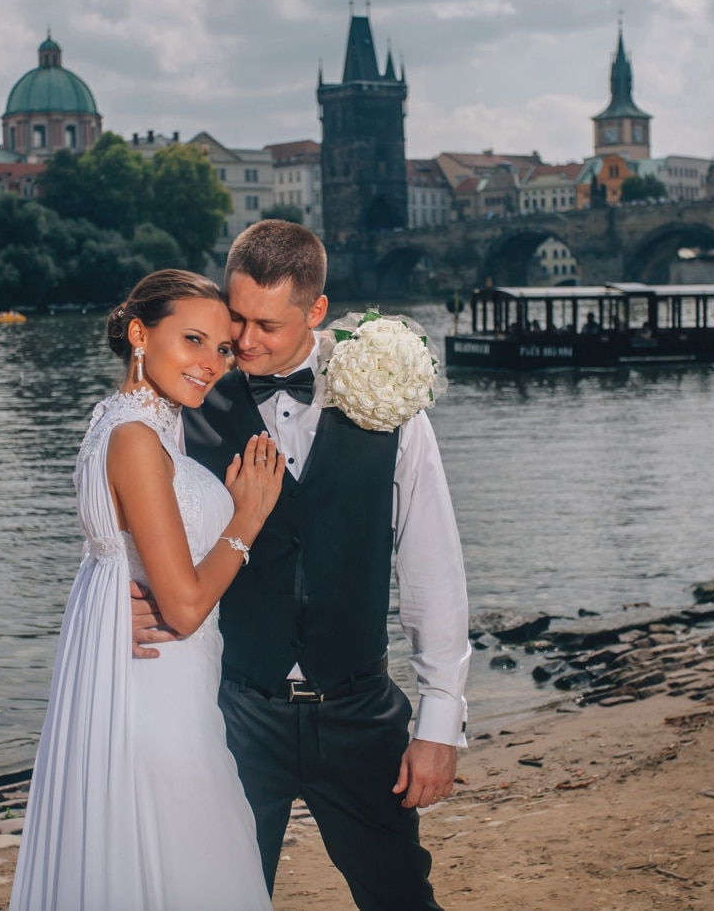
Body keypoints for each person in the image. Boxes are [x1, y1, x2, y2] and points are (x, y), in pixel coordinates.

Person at [136, 220, 470, 910]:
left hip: (358, 711)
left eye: (268, 325)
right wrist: (126, 596)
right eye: (236, 319)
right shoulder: (189, 401)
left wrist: (440, 720)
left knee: (402, 900)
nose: (245, 342)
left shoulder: (388, 396)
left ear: (316, 312)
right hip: (232, 715)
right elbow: (140, 524)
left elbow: (431, 562)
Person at [9, 269, 281, 910]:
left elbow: (118, 559)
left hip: (163, 680)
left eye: (221, 348)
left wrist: (108, 608)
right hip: (156, 695)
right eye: (193, 340)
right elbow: (184, 608)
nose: (210, 363)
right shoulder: (134, 436)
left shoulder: (138, 421)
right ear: (140, 333)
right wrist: (246, 520)